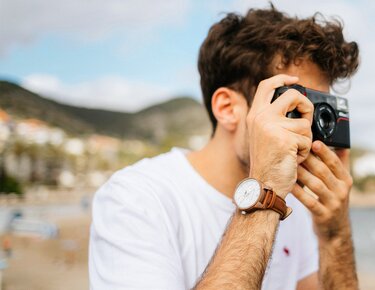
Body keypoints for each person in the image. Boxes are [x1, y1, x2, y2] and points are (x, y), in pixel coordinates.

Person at [89, 5, 359, 290]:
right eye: (296, 105)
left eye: (319, 109)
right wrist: (265, 191)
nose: (309, 125)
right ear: (228, 108)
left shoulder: (293, 207)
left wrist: (335, 234)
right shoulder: (136, 199)